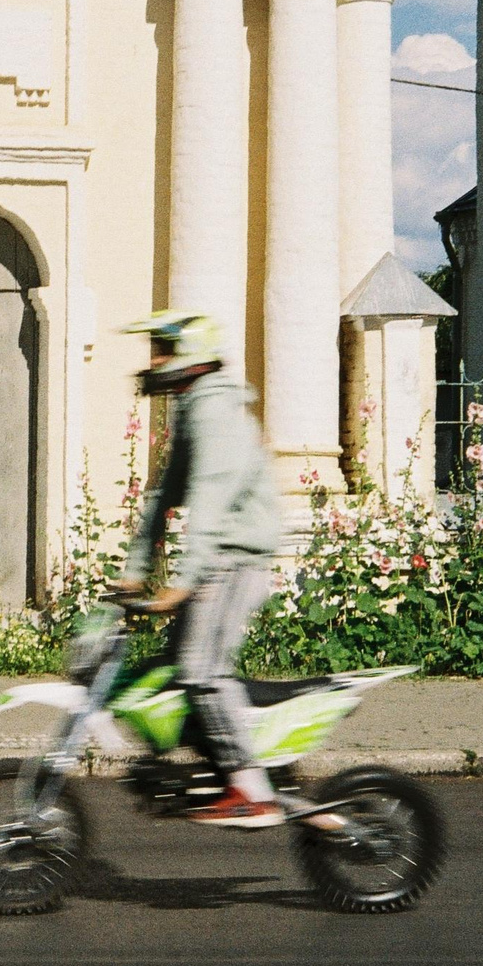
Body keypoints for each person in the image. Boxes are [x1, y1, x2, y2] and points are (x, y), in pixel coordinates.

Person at [108, 311, 297, 828]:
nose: (153, 361)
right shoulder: (193, 408)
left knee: (201, 670)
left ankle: (251, 791)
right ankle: (216, 764)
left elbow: (209, 501)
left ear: (189, 355)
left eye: (162, 349)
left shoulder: (215, 411)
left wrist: (182, 583)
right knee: (171, 670)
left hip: (236, 558)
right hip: (218, 557)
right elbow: (163, 497)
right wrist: (134, 571)